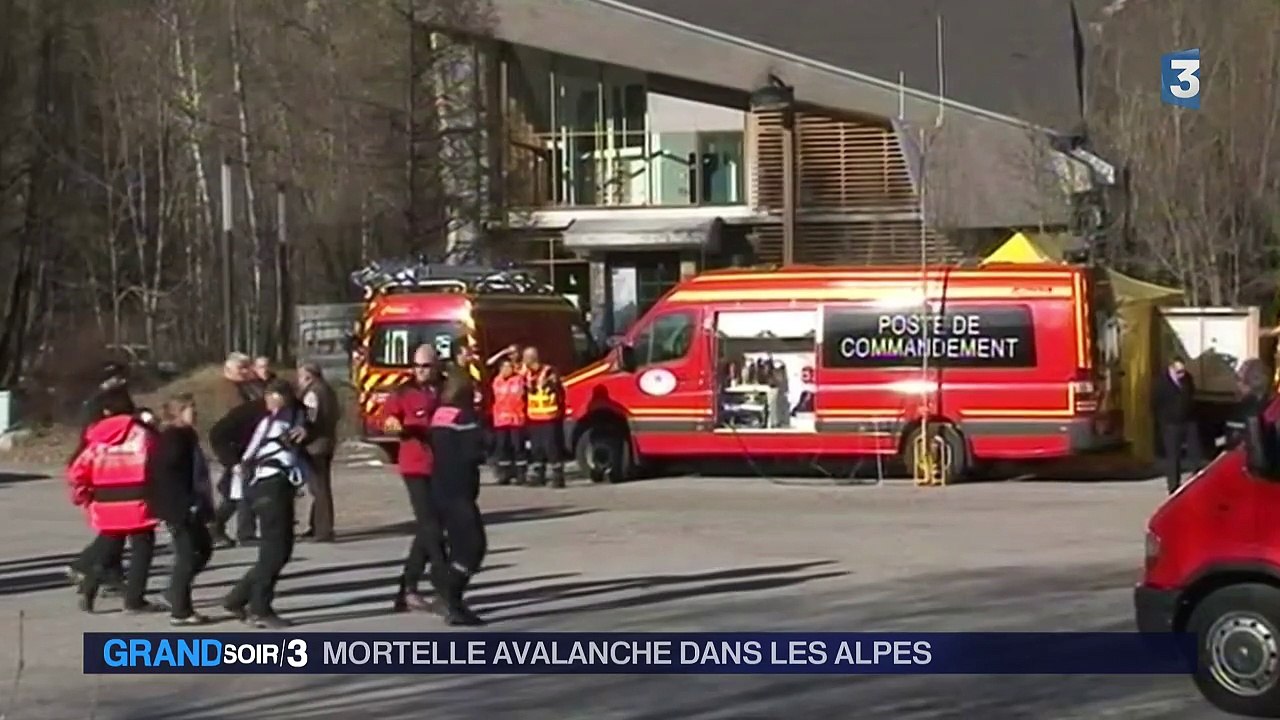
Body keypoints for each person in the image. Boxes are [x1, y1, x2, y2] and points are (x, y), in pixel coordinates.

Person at [222, 379, 308, 628]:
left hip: (272, 483)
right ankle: (259, 607)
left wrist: (304, 428)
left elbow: (307, 420)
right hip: (270, 484)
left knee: (278, 549)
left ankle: (237, 598)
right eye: (270, 397)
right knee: (275, 550)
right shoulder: (275, 422)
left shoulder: (289, 417)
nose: (272, 403)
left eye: (277, 398)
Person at [67, 399, 161, 614]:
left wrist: (83, 495)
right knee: (142, 549)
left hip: (106, 500)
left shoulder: (97, 438)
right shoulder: (144, 434)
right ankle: (134, 599)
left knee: (109, 546)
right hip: (138, 498)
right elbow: (158, 463)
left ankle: (89, 586)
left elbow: (77, 471)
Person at [382, 344, 445, 612]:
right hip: (415, 465)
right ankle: (444, 586)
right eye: (417, 366)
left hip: (441, 465)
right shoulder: (404, 392)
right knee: (431, 527)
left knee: (430, 527)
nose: (421, 371)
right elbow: (387, 419)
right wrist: (393, 425)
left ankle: (406, 589)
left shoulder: (445, 389)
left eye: (426, 366)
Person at [145, 394, 215, 625]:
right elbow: (166, 475)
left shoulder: (187, 435)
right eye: (189, 409)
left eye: (195, 408)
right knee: (188, 555)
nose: (195, 412)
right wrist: (184, 503)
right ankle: (181, 610)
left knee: (203, 549)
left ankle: (174, 591)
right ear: (176, 413)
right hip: (178, 506)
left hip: (191, 503)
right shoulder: (173, 439)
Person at [65, 361, 135, 591]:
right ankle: (84, 565)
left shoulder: (118, 397)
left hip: (114, 464)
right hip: (102, 465)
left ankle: (111, 573)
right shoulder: (101, 402)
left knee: (118, 525)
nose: (122, 381)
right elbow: (94, 437)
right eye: (117, 377)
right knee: (115, 527)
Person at [427, 375, 488, 625]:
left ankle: (447, 593)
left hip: (440, 487)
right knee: (473, 547)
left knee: (454, 544)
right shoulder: (464, 419)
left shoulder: (438, 415)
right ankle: (449, 595)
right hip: (460, 490)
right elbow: (477, 450)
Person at [210, 352, 260, 547]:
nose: (246, 371)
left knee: (234, 488)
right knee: (240, 486)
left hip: (240, 442)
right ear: (229, 369)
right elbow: (242, 414)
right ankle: (241, 530)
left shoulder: (246, 387)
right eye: (242, 368)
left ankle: (218, 526)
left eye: (248, 367)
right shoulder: (229, 390)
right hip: (232, 442)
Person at [297, 362, 340, 542]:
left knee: (319, 488)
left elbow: (311, 419)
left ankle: (323, 529)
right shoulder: (328, 390)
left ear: (308, 376)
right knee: (321, 487)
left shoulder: (313, 393)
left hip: (315, 445)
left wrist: (303, 435)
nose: (298, 381)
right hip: (327, 441)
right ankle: (316, 525)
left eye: (300, 377)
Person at [1155, 357, 1204, 494]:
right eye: (1178, 372)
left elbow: (1192, 394)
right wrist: (1164, 421)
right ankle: (1173, 486)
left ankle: (1198, 480)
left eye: (1183, 371)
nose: (1182, 374)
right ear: (1171, 368)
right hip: (1171, 424)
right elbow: (1155, 403)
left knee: (1195, 452)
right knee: (1173, 456)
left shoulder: (1187, 378)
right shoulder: (1161, 382)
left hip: (1189, 421)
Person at [523, 347, 566, 488]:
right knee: (536, 448)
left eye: (526, 358)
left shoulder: (548, 371)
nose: (523, 361)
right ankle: (539, 475)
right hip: (534, 417)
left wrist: (547, 383)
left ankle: (557, 476)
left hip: (549, 416)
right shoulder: (527, 374)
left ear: (532, 359)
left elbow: (554, 386)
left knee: (551, 447)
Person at [490, 358, 528, 486]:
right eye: (505, 367)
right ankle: (504, 474)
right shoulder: (497, 381)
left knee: (518, 447)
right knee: (502, 448)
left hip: (516, 419)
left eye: (510, 367)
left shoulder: (519, 380)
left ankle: (521, 475)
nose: (508, 370)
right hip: (501, 420)